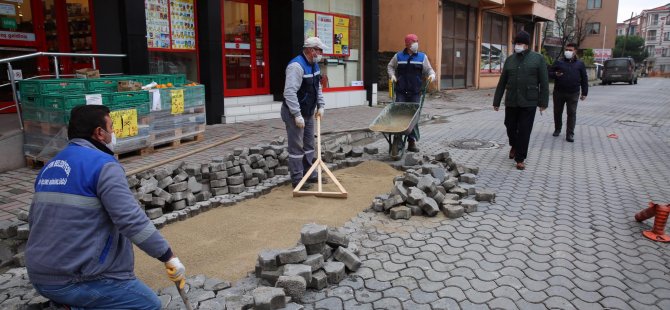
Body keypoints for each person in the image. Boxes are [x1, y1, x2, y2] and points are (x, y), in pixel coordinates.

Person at [25, 105, 185, 309]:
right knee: (148, 305)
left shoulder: (50, 166)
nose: (114, 133)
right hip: (75, 280)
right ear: (99, 133)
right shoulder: (103, 165)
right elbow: (131, 220)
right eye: (111, 127)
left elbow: (36, 220)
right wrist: (168, 257)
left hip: (39, 276)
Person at [492, 30, 549, 170]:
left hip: (529, 101)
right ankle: (514, 145)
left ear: (526, 45)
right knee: (509, 125)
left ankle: (520, 158)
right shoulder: (510, 60)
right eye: (516, 43)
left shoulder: (538, 59)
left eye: (520, 43)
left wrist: (543, 102)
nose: (517, 45)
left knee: (524, 130)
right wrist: (496, 101)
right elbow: (502, 81)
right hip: (512, 100)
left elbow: (544, 82)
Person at [282, 36, 327, 189]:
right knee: (297, 147)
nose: (321, 53)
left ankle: (310, 174)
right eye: (319, 50)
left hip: (308, 112)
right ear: (310, 50)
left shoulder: (314, 65)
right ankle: (297, 179)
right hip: (294, 113)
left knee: (309, 145)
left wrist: (321, 105)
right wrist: (296, 115)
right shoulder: (296, 66)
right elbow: (289, 93)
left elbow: (317, 87)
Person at [387, 33, 436, 152]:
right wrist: (392, 76)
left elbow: (428, 69)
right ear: (408, 44)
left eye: (417, 41)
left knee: (413, 117)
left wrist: (431, 75)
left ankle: (411, 142)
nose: (416, 44)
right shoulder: (398, 56)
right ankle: (397, 139)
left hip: (415, 92)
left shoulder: (422, 57)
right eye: (414, 41)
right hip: (401, 92)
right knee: (399, 116)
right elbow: (390, 66)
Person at [549, 42, 588, 142]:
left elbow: (584, 78)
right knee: (557, 112)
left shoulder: (580, 64)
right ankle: (557, 129)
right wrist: (555, 74)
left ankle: (570, 134)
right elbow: (548, 73)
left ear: (575, 51)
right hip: (559, 92)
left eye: (570, 50)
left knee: (571, 113)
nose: (568, 52)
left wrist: (584, 92)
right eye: (567, 50)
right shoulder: (559, 62)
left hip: (573, 93)